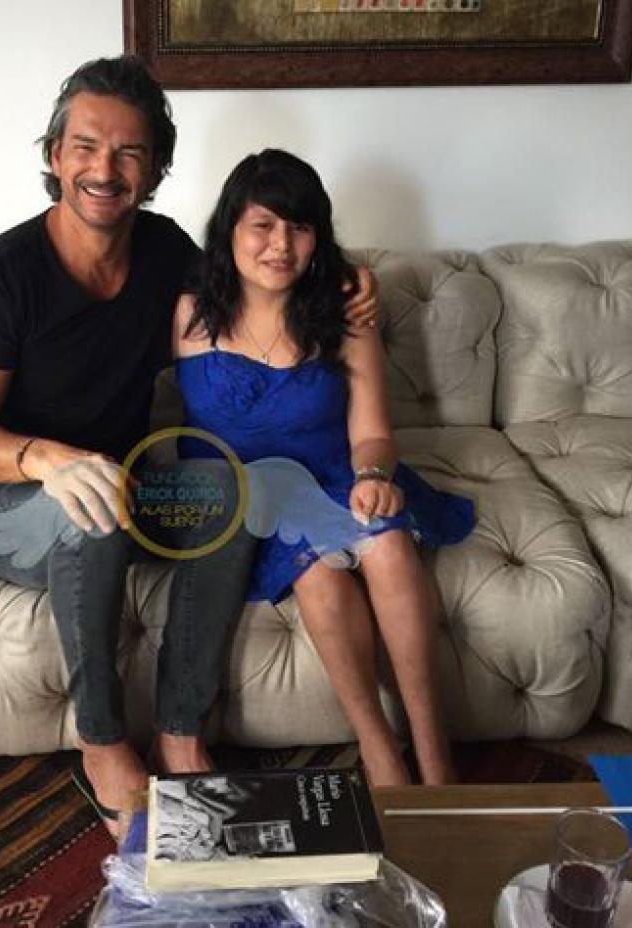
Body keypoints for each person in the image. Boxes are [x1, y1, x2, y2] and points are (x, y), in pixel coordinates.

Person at [0, 57, 378, 837]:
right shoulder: (0, 275)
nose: (104, 170)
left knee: (229, 492)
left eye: (129, 152)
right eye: (85, 146)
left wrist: (348, 278)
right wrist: (48, 459)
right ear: (55, 156)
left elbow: (263, 275)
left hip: (129, 484)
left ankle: (181, 730)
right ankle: (103, 741)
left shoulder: (167, 253)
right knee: (92, 507)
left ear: (156, 169)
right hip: (2, 497)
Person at [174, 149, 474, 786]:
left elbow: (372, 433)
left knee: (388, 545)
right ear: (229, 230)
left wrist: (374, 477)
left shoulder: (343, 312)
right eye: (263, 225)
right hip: (249, 500)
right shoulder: (186, 313)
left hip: (336, 477)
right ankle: (378, 748)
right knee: (317, 574)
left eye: (300, 227)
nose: (281, 245)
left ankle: (434, 751)